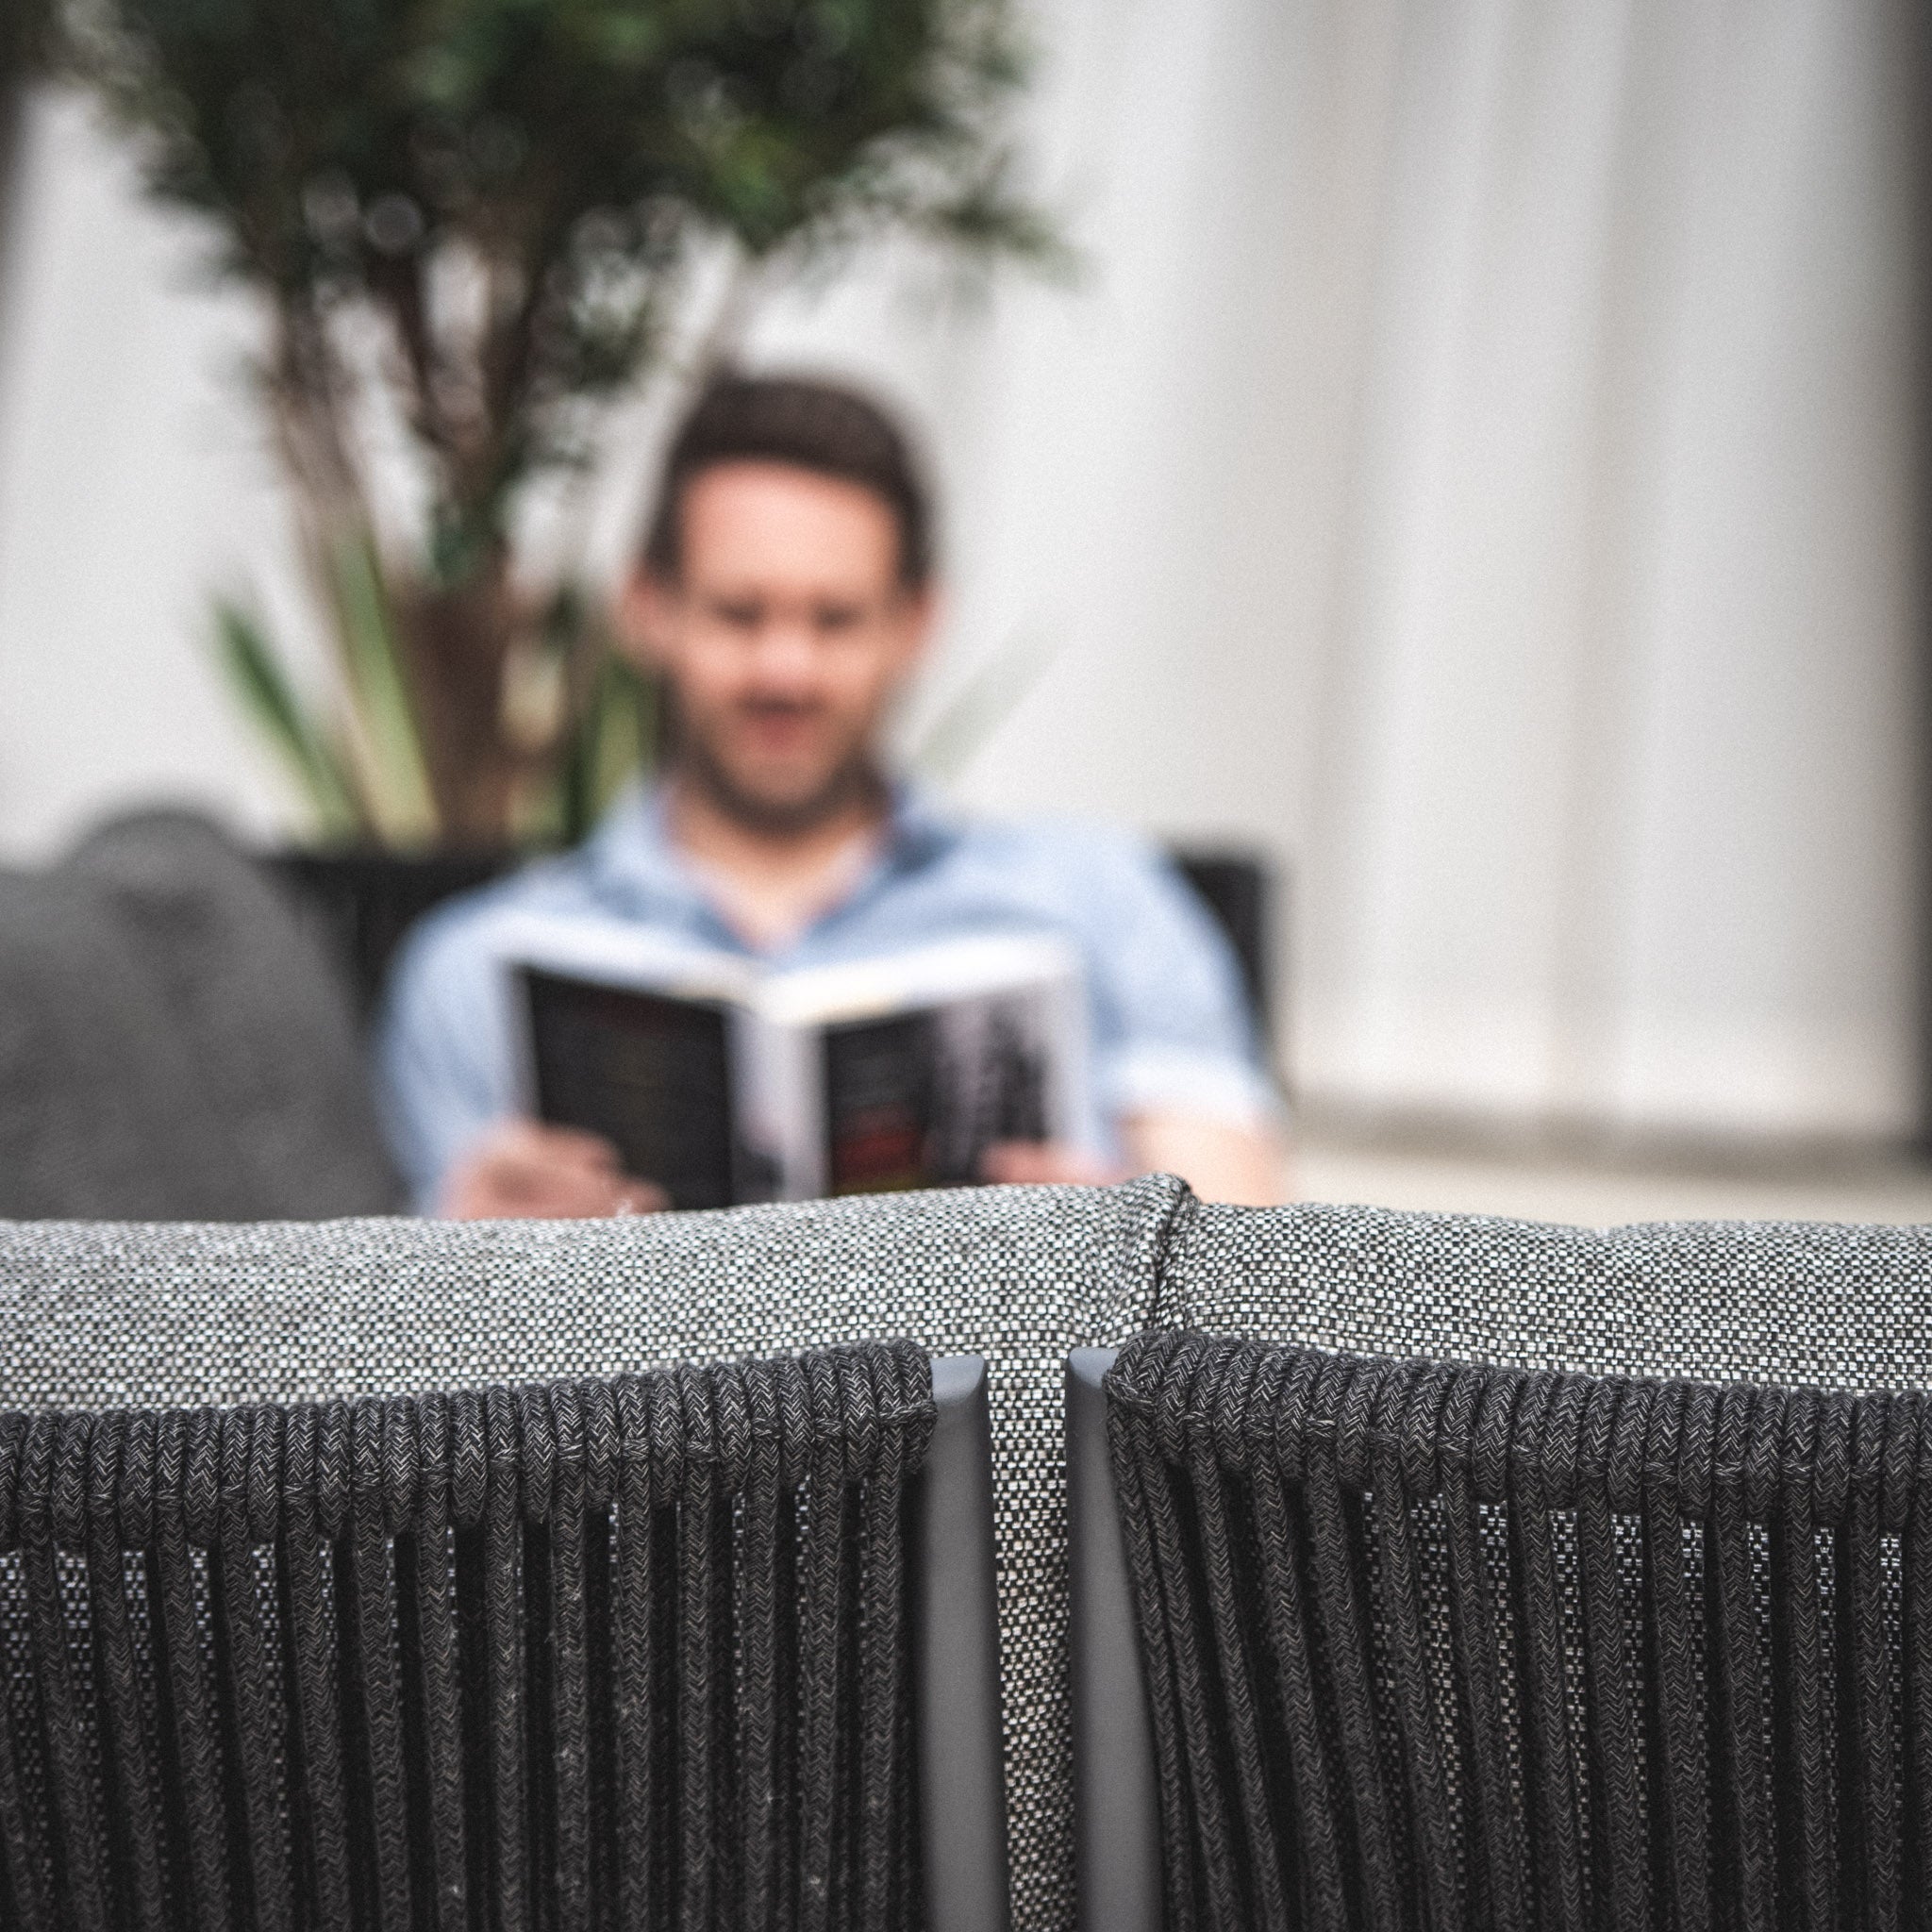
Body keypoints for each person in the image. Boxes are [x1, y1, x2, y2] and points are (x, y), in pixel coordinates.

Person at [377, 373, 1287, 1216]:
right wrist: (463, 1253)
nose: (786, 669)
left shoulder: (1102, 902)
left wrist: (1119, 1236)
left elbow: (1245, 1268)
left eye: (835, 619)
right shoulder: (475, 967)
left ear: (915, 621)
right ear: (648, 609)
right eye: (741, 614)